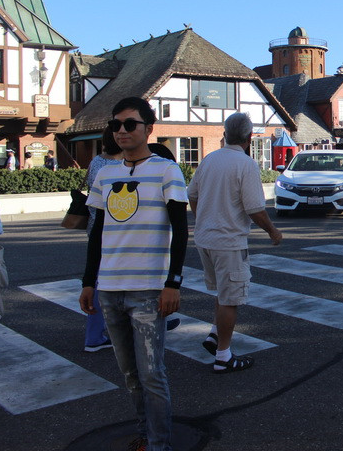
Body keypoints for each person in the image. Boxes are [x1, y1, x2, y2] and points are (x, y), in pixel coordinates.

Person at [79, 97, 188, 451]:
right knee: (129, 375)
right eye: (116, 125)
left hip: (148, 290)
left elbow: (181, 229)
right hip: (109, 289)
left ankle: (160, 444)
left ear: (148, 129)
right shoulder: (105, 173)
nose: (121, 131)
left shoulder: (166, 170)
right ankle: (145, 434)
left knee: (152, 374)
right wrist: (88, 282)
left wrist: (173, 283)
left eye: (130, 124)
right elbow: (96, 232)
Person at [187, 112, 281, 374]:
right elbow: (254, 209)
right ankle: (223, 357)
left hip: (205, 239)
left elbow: (192, 194)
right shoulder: (246, 164)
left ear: (225, 134)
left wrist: (203, 218)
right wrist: (273, 231)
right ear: (250, 138)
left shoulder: (209, 160)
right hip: (228, 241)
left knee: (222, 292)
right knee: (231, 299)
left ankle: (216, 335)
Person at [82, 127, 122, 353]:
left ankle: (94, 334)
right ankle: (96, 334)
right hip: (114, 231)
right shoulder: (119, 167)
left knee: (97, 279)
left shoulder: (96, 162)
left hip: (94, 226)